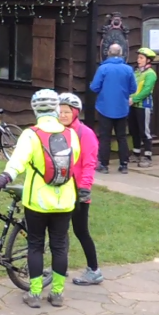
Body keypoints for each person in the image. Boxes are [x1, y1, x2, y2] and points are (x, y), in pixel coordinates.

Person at [0, 89, 81, 308]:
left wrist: (5, 177)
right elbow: (74, 160)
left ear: (35, 109)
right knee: (59, 246)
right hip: (65, 201)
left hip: (37, 201)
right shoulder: (71, 134)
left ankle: (35, 293)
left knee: (35, 245)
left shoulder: (31, 134)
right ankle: (57, 293)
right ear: (56, 108)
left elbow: (18, 161)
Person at [58, 93, 103, 286]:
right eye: (60, 111)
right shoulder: (57, 131)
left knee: (81, 230)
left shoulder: (85, 134)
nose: (62, 115)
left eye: (67, 112)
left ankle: (94, 270)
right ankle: (60, 266)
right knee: (59, 230)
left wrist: (84, 188)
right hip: (60, 188)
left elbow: (89, 163)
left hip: (78, 191)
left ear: (75, 113)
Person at [89, 43, 137, 174]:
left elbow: (94, 87)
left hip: (105, 107)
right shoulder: (128, 69)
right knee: (122, 137)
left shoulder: (103, 68)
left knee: (105, 137)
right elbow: (133, 88)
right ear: (121, 53)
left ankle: (104, 165)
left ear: (108, 53)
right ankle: (124, 165)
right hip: (122, 107)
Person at [129, 47, 159, 168]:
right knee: (134, 130)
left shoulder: (150, 74)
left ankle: (147, 156)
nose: (138, 60)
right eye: (138, 58)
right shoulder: (136, 72)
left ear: (148, 60)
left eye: (141, 58)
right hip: (132, 105)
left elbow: (146, 90)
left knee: (144, 131)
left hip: (144, 105)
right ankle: (136, 153)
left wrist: (134, 99)